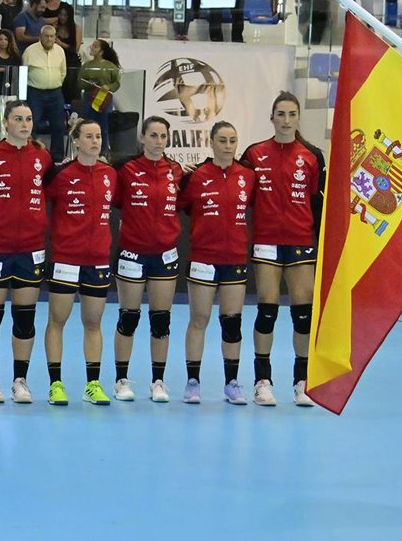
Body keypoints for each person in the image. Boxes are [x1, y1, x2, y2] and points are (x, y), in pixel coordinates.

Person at [240, 92, 324, 407]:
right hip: (266, 241)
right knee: (267, 310)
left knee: (303, 314)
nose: (286, 120)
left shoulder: (313, 155)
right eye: (281, 114)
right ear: (272, 118)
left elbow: (318, 204)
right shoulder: (254, 153)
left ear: (298, 117)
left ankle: (302, 382)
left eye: (291, 114)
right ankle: (263, 381)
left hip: (301, 242)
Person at [0, 100, 51, 403]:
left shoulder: (42, 157)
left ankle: (20, 380)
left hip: (30, 248)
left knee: (25, 318)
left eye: (28, 119)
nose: (24, 124)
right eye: (18, 118)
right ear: (6, 122)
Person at [42, 119, 118, 406]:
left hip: (97, 260)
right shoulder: (60, 175)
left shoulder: (110, 174)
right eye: (89, 136)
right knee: (57, 320)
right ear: (76, 141)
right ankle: (55, 384)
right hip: (65, 259)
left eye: (98, 136)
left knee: (93, 322)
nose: (95, 141)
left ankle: (93, 384)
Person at [109, 116, 185, 404]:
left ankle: (158, 382)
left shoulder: (176, 171)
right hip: (132, 252)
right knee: (128, 317)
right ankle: (121, 380)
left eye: (163, 136)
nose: (158, 141)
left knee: (161, 320)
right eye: (153, 135)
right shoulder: (126, 169)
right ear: (142, 138)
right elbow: (115, 200)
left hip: (164, 255)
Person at [179, 120, 255, 405]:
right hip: (203, 258)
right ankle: (192, 382)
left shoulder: (247, 176)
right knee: (199, 319)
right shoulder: (196, 175)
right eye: (222, 140)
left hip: (234, 258)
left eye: (232, 141)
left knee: (232, 322)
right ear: (211, 142)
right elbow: (179, 205)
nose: (228, 146)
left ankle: (231, 383)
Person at [22, 25, 67, 160]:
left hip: (55, 93)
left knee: (58, 125)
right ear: (40, 37)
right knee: (32, 124)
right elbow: (23, 74)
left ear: (55, 37)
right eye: (46, 36)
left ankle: (57, 158)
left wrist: (53, 83)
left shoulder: (60, 51)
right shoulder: (30, 51)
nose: (49, 39)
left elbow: (63, 72)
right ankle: (30, 155)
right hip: (35, 93)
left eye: (52, 36)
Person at [77, 39, 121, 155]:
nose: (91, 48)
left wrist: (108, 86)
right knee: (88, 125)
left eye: (95, 46)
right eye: (92, 45)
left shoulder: (110, 66)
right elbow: (80, 82)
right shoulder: (86, 66)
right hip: (89, 98)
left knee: (104, 127)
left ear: (101, 51)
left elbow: (116, 83)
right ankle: (88, 150)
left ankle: (103, 153)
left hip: (104, 98)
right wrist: (90, 84)